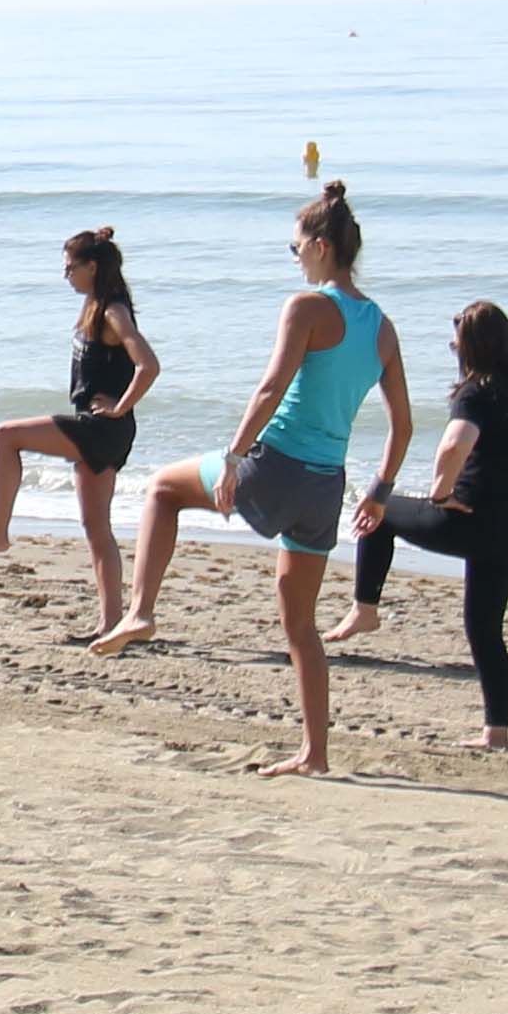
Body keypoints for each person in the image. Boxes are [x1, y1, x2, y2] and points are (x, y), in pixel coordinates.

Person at [88, 182, 407, 776]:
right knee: (301, 626)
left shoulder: (306, 307)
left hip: (275, 465)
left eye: (295, 249)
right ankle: (315, 753)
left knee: (162, 489)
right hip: (324, 488)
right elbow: (404, 425)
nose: (295, 260)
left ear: (318, 246)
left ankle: (141, 612)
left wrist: (234, 458)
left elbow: (271, 388)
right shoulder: (382, 327)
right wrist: (380, 490)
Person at [334, 299, 508, 744]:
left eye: (455, 341)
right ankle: (496, 732)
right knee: (485, 629)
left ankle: (365, 608)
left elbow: (453, 446)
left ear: (472, 348)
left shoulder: (476, 392)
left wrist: (441, 494)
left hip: (466, 520)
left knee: (376, 510)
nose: (452, 347)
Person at [0, 225, 165, 633]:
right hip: (105, 430)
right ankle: (110, 624)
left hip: (100, 427)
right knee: (96, 528)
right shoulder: (96, 304)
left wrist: (120, 406)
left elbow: (149, 365)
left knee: (5, 435)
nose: (66, 275)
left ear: (93, 267)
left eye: (70, 268)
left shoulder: (113, 311)